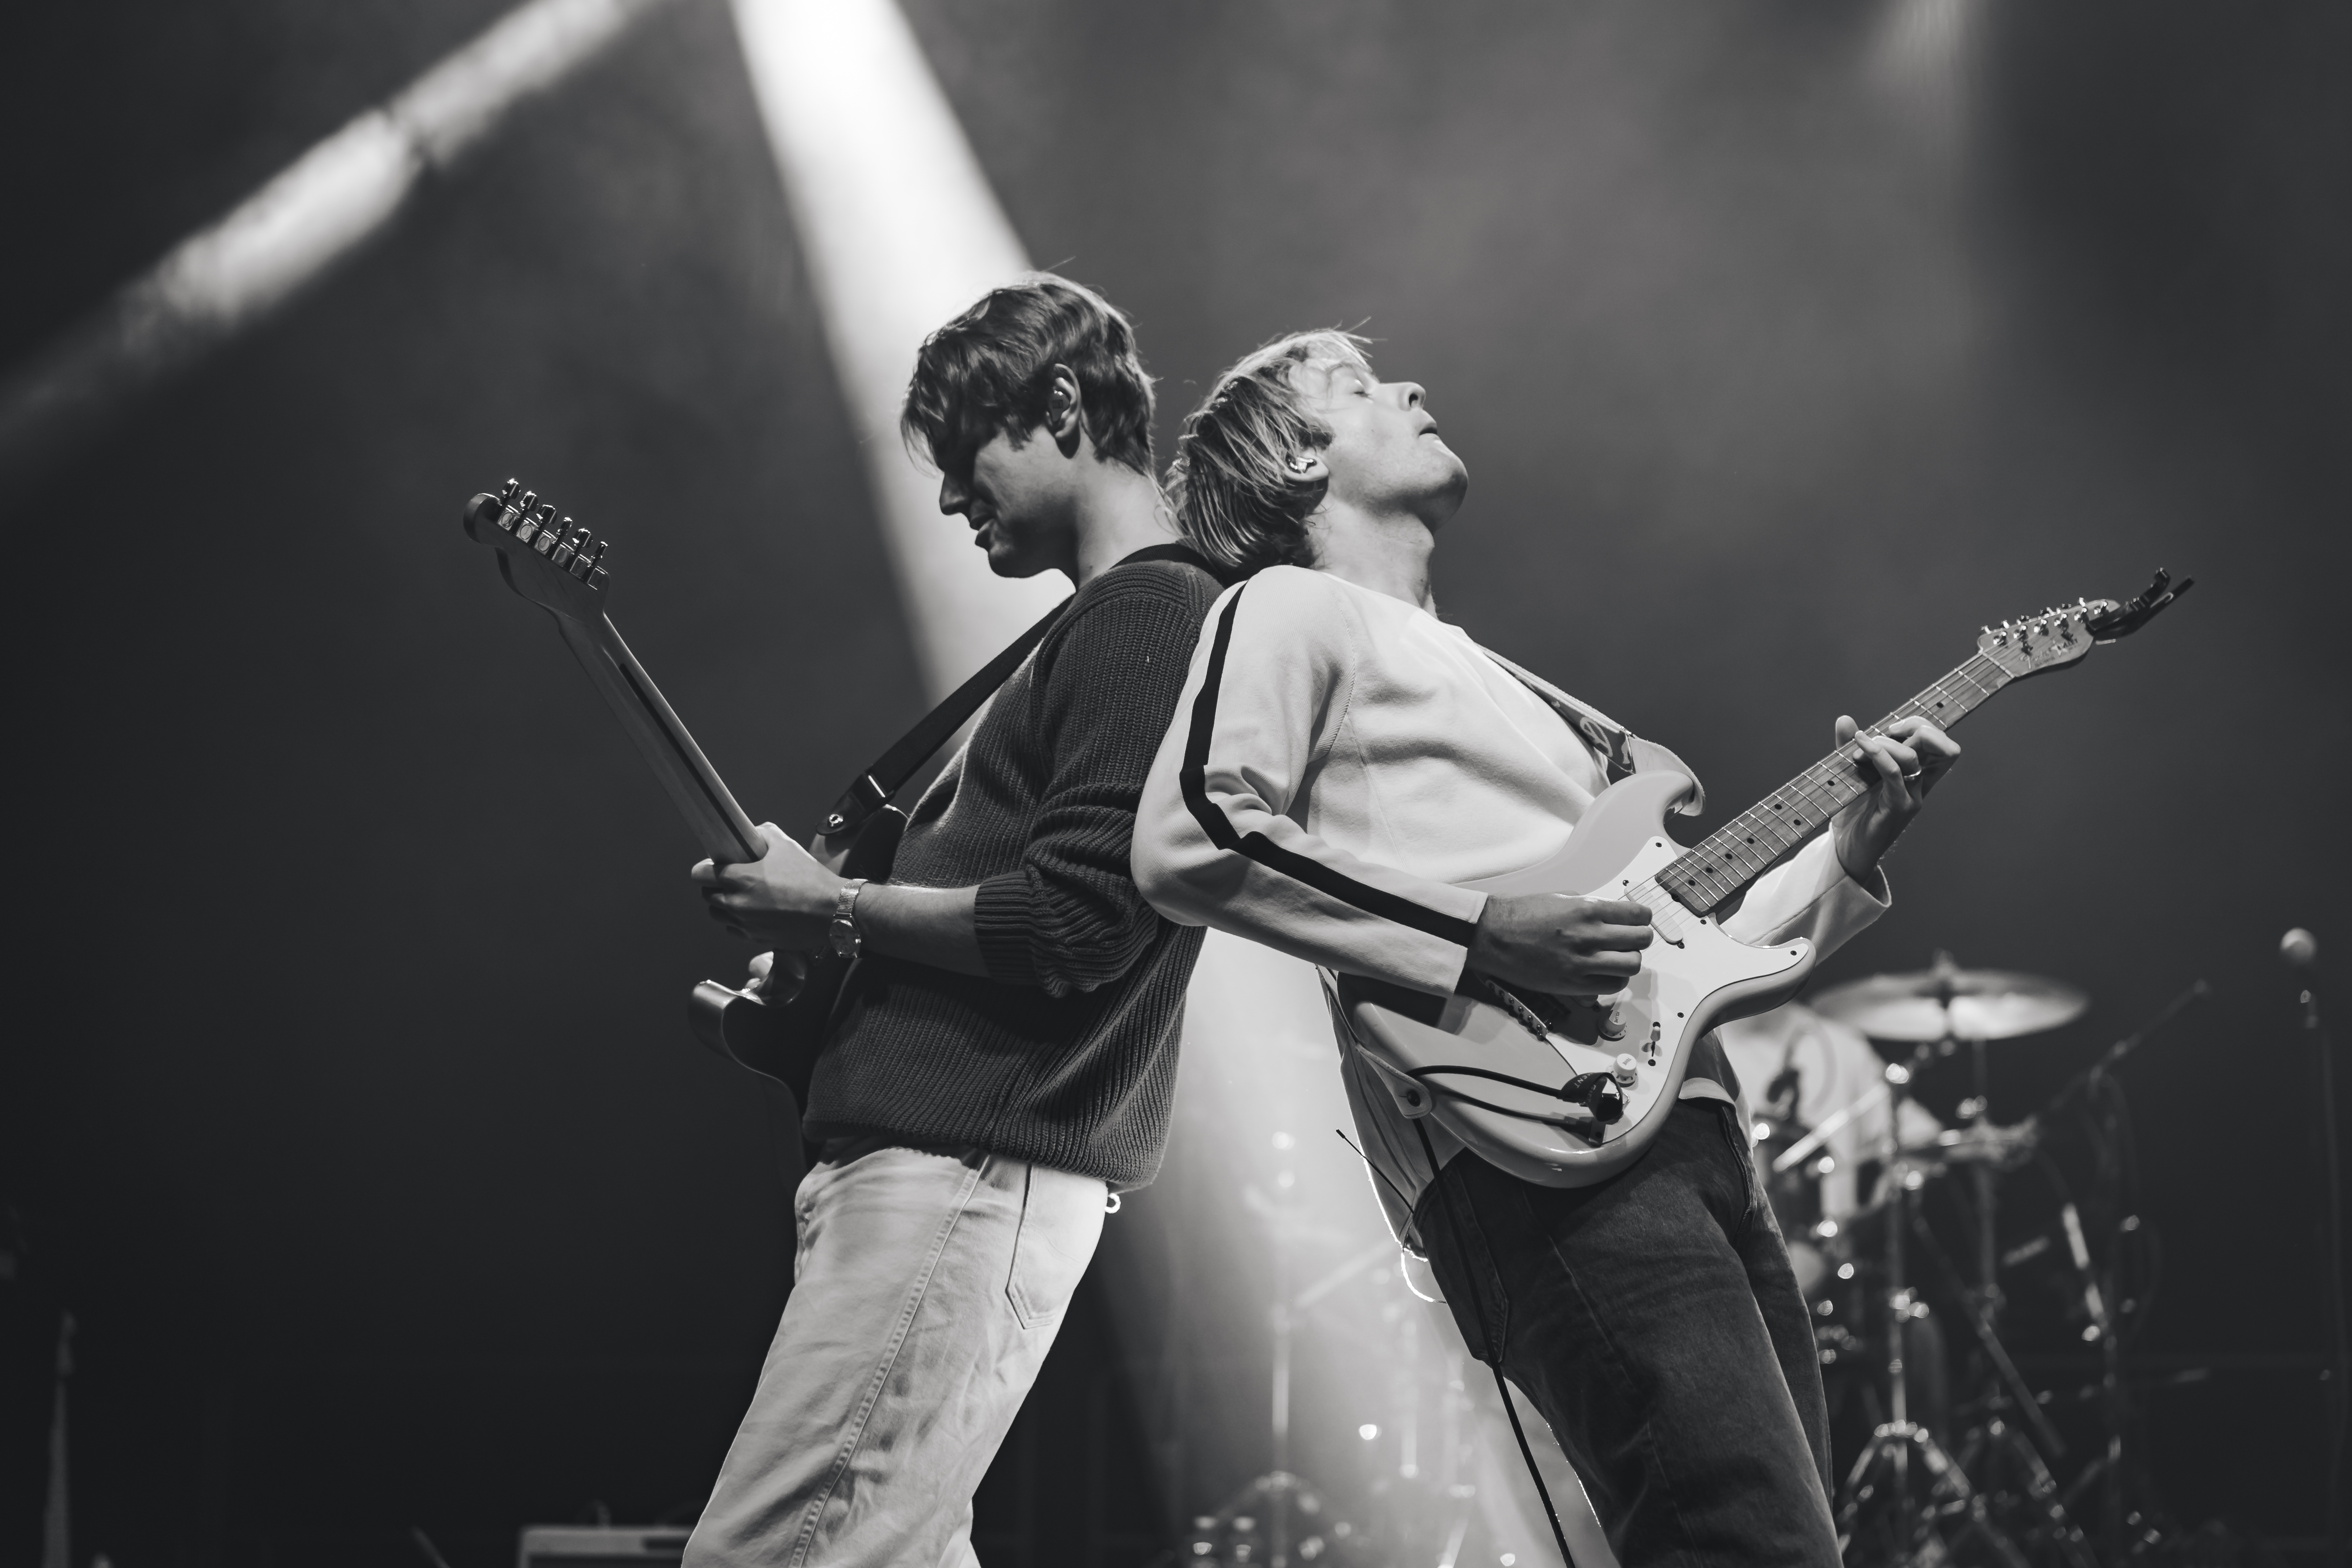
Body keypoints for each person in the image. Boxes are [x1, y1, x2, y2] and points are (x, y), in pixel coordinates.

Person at [1130, 331, 1960, 1566]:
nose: (1411, 387)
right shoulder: (1287, 607)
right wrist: (1482, 935)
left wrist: (1844, 851)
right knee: (1750, 1544)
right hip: (1530, 1147)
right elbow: (1190, 836)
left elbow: (1679, 951)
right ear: (1299, 460)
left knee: (1786, 1545)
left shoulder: (1515, 687)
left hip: (1686, 1130)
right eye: (1356, 387)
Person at [682, 275, 1231, 1567]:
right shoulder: (1104, 625)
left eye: (964, 451)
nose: (943, 498)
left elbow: (1076, 925)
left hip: (964, 1170)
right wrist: (818, 977)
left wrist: (837, 909)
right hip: (949, 1171)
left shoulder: (1149, 613)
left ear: (1059, 406)